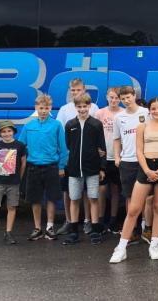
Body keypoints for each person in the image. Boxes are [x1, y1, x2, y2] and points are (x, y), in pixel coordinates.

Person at [109, 98, 158, 263]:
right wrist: (147, 171)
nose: (157, 111)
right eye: (153, 108)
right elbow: (139, 150)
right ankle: (121, 248)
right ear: (149, 110)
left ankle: (154, 245)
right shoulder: (142, 126)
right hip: (145, 168)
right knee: (133, 210)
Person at [20, 94, 68, 242]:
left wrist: (61, 167)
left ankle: (49, 227)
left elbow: (64, 149)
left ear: (50, 108)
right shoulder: (28, 126)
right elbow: (21, 147)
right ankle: (37, 228)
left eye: (46, 108)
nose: (43, 111)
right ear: (36, 108)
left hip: (51, 167)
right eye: (41, 108)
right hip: (33, 167)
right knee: (35, 199)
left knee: (52, 198)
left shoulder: (56, 125)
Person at [55, 78, 99, 238]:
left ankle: (88, 220)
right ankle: (69, 221)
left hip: (88, 160)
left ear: (84, 90)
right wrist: (64, 158)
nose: (75, 93)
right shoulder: (65, 109)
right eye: (72, 90)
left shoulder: (93, 107)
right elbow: (62, 136)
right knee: (69, 192)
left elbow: (96, 132)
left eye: (78, 90)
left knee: (89, 192)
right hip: (71, 160)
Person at [62, 93, 107, 245]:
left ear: (90, 106)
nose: (82, 109)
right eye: (79, 107)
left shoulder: (96, 124)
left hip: (92, 168)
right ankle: (74, 231)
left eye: (85, 106)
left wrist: (102, 167)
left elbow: (102, 147)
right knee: (74, 199)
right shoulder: (70, 125)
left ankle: (95, 230)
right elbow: (68, 146)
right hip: (74, 169)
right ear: (75, 107)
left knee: (93, 198)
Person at [111, 86, 149, 239]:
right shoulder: (119, 117)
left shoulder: (146, 113)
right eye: (123, 98)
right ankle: (133, 229)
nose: (126, 100)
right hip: (127, 161)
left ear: (134, 96)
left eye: (128, 97)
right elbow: (116, 139)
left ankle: (146, 228)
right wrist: (117, 157)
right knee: (129, 196)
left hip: (145, 160)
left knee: (147, 197)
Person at [95, 87, 123, 233]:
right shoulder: (100, 113)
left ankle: (113, 220)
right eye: (111, 97)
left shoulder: (123, 113)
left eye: (116, 98)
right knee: (102, 189)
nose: (114, 100)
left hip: (118, 157)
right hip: (103, 158)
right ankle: (100, 220)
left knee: (116, 189)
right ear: (107, 97)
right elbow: (94, 133)